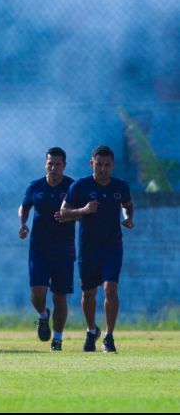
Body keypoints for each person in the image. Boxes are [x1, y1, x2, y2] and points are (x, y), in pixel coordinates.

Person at [60, 145, 134, 353]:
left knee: (110, 288)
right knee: (89, 293)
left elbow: (127, 204)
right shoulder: (80, 186)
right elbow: (63, 211)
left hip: (112, 246)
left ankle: (109, 337)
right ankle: (92, 330)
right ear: (92, 164)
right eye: (99, 164)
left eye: (107, 165)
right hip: (88, 247)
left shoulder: (120, 186)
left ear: (113, 165)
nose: (103, 169)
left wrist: (128, 218)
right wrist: (83, 210)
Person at [18, 147, 77, 351]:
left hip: (64, 250)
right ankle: (43, 315)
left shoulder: (72, 186)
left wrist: (70, 215)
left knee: (60, 296)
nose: (53, 167)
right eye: (50, 163)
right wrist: (23, 224)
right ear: (45, 164)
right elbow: (24, 207)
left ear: (64, 166)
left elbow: (84, 212)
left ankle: (58, 339)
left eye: (57, 164)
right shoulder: (35, 186)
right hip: (39, 250)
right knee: (37, 293)